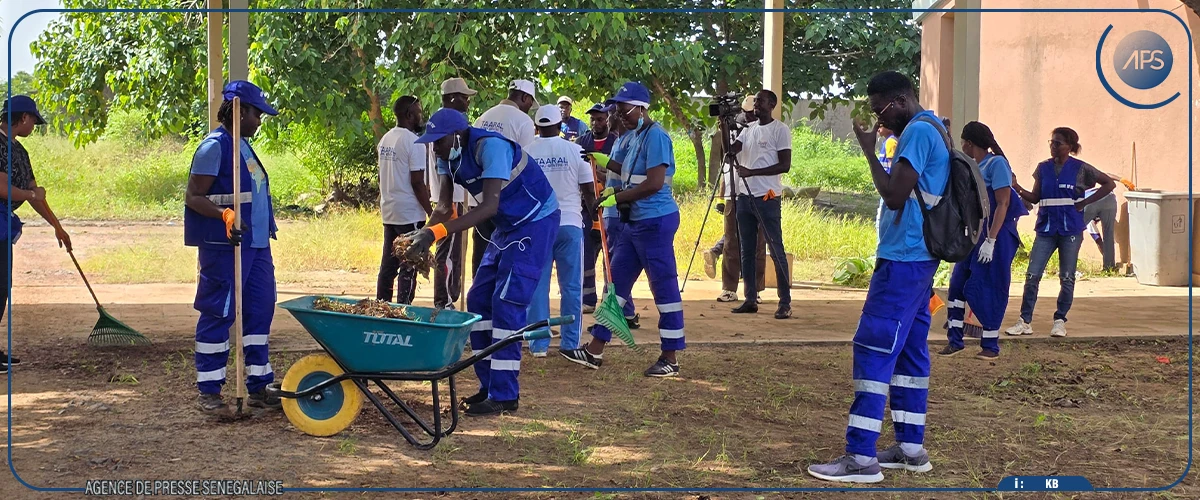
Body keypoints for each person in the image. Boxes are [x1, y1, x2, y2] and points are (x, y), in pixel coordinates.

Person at [808, 71, 949, 483]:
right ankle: (909, 448)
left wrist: (870, 151)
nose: (880, 122)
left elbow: (893, 194)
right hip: (917, 258)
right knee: (908, 352)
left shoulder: (919, 133)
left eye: (881, 111)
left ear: (901, 99)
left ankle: (860, 457)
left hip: (904, 259)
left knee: (874, 345)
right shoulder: (933, 127)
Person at [396, 108, 559, 417]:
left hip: (535, 220)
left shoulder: (490, 147)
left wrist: (435, 233)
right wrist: (425, 232)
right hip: (509, 224)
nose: (435, 148)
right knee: (478, 299)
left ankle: (505, 395)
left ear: (456, 135)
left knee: (507, 301)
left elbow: (488, 207)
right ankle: (489, 386)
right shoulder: (448, 156)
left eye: (439, 142)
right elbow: (444, 207)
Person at [562, 82, 685, 378]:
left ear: (641, 108)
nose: (619, 115)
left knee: (664, 287)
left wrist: (616, 197)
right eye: (617, 110)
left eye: (623, 110)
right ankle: (594, 350)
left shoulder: (656, 136)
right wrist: (600, 163)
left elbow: (654, 182)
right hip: (635, 222)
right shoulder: (633, 137)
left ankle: (670, 357)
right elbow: (624, 171)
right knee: (616, 289)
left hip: (655, 222)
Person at [184, 81, 282, 414]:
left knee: (261, 308)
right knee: (219, 311)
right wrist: (224, 214)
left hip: (256, 246)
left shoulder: (243, 145)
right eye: (257, 114)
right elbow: (193, 197)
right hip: (225, 247)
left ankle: (259, 384)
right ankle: (209, 392)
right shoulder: (214, 147)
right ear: (239, 110)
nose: (260, 121)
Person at [1006, 127, 1115, 338]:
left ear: (1070, 147)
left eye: (1058, 143)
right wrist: (1017, 187)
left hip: (1070, 229)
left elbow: (1109, 183)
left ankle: (1059, 320)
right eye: (1051, 142)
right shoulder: (1043, 169)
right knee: (1032, 275)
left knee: (1067, 277)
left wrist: (1085, 202)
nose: (1053, 146)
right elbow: (1035, 197)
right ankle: (1025, 321)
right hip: (1046, 228)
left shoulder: (1081, 168)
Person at [939, 121, 1028, 360]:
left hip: (995, 236)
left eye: (961, 142)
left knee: (987, 287)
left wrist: (991, 240)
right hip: (974, 236)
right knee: (957, 285)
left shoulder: (997, 164)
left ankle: (990, 346)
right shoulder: (974, 165)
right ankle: (955, 340)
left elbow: (1003, 203)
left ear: (969, 143)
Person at [0, 95, 71, 375]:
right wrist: (30, 193)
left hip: (4, 224)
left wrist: (57, 225)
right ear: (24, 118)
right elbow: (4, 188)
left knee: (2, 286)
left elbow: (35, 193)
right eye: (34, 121)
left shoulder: (19, 151)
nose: (34, 128)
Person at [524, 105, 596, 356]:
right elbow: (588, 190)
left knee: (537, 286)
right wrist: (595, 215)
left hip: (537, 227)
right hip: (569, 224)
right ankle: (570, 343)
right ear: (560, 126)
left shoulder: (526, 152)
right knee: (572, 287)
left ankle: (539, 345)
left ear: (536, 127)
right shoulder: (576, 150)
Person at [725, 90, 792, 319]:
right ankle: (750, 298)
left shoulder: (780, 130)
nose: (756, 104)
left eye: (761, 101)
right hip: (745, 196)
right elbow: (730, 152)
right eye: (755, 101)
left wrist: (753, 172)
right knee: (747, 250)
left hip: (768, 196)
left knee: (775, 249)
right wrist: (725, 126)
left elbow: (785, 165)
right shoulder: (749, 130)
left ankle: (784, 302)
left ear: (772, 104)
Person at [470, 80, 540, 277]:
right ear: (525, 98)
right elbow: (525, 164)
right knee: (507, 251)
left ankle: (478, 300)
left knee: (482, 251)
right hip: (509, 200)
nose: (529, 109)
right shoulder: (523, 121)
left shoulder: (483, 117)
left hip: (481, 197)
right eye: (529, 104)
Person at [704, 95, 766, 303]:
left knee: (757, 242)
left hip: (758, 190)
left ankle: (754, 288)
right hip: (734, 189)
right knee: (731, 240)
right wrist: (724, 126)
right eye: (745, 113)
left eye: (752, 113)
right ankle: (729, 288)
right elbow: (728, 155)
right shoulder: (734, 128)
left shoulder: (764, 130)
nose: (748, 117)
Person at [376, 96, 431, 305]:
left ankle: (381, 307)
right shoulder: (414, 142)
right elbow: (417, 182)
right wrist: (430, 212)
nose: (421, 116)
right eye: (418, 112)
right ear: (409, 115)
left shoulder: (386, 139)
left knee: (388, 266)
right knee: (408, 265)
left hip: (390, 211)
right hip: (410, 213)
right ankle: (403, 311)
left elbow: (382, 176)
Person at [428, 78, 476, 310]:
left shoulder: (446, 121)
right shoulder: (444, 123)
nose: (468, 102)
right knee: (447, 253)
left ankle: (448, 298)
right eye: (465, 97)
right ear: (452, 98)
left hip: (453, 195)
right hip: (450, 197)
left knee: (452, 253)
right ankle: (444, 301)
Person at [577, 103, 618, 314]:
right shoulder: (581, 141)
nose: (596, 123)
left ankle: (608, 298)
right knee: (586, 253)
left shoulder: (616, 142)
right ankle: (588, 299)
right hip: (586, 207)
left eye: (600, 119)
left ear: (608, 119)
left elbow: (619, 175)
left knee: (609, 255)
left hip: (609, 206)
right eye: (593, 119)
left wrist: (599, 174)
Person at [874, 124, 899, 231]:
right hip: (886, 188)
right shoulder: (888, 141)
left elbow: (892, 165)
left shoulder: (891, 142)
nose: (878, 128)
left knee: (882, 222)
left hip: (887, 188)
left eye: (881, 125)